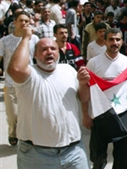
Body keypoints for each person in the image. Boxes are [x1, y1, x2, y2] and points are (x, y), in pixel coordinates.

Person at [8, 31, 89, 168]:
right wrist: (26, 38)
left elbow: (83, 98)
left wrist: (82, 84)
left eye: (53, 49)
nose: (49, 52)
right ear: (34, 54)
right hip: (37, 155)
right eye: (44, 49)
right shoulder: (29, 75)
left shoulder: (68, 70)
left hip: (73, 151)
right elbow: (15, 69)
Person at [79, 28, 127, 169]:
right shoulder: (93, 63)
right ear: (104, 41)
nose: (114, 42)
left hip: (122, 118)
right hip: (99, 117)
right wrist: (85, 114)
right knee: (98, 159)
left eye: (117, 39)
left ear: (122, 42)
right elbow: (85, 90)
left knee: (123, 159)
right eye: (111, 39)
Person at [0, 11, 39, 146]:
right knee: (13, 115)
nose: (23, 23)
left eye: (26, 21)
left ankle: (27, 137)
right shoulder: (5, 41)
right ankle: (13, 133)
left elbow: (38, 59)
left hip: (29, 83)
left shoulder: (34, 39)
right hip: (10, 84)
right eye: (21, 20)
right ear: (15, 22)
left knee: (29, 113)